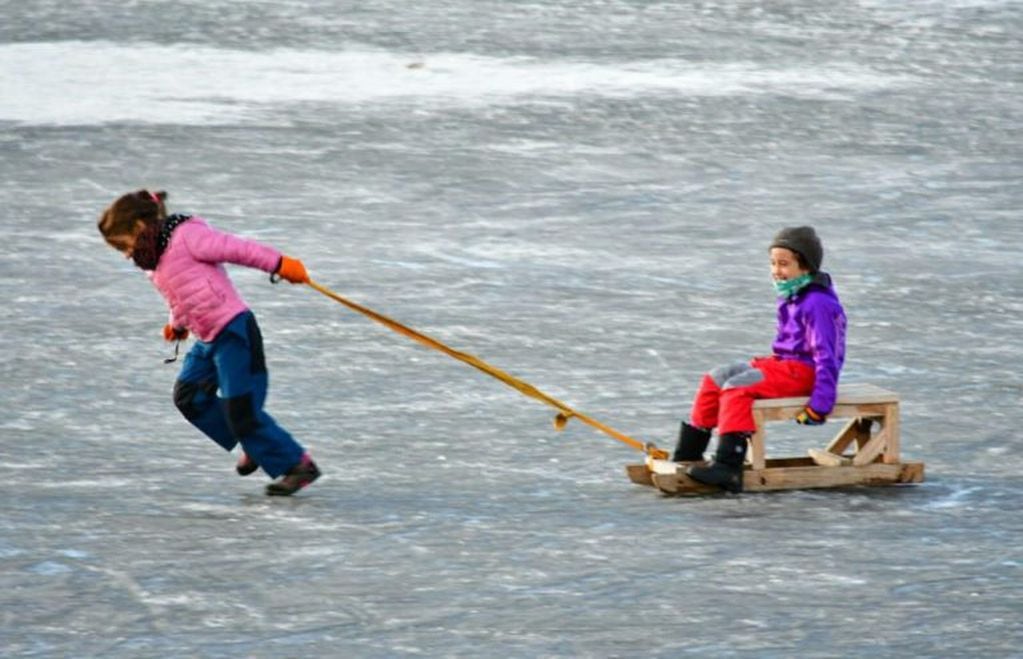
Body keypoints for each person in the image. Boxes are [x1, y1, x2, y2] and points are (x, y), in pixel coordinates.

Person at [98, 189, 321, 496]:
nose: (125, 254)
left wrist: (280, 264)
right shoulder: (152, 260)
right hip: (206, 337)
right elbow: (178, 293)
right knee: (189, 397)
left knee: (240, 409)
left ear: (138, 226)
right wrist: (176, 324)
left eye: (123, 245)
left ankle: (298, 465)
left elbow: (237, 249)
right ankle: (254, 444)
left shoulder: (187, 236)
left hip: (233, 331)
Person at [673, 226, 846, 493]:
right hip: (783, 365)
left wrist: (820, 404)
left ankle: (728, 467)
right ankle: (688, 455)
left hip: (804, 373)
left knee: (737, 389)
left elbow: (828, 355)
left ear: (806, 266)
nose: (777, 270)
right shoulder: (792, 295)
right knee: (716, 377)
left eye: (784, 264)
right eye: (773, 263)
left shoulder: (818, 303)